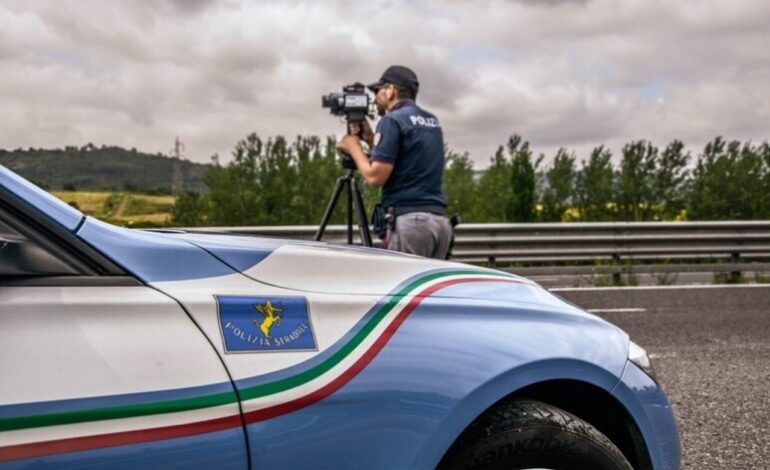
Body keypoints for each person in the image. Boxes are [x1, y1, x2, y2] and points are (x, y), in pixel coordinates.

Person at [336, 65, 453, 259]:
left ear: (390, 91)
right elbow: (407, 158)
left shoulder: (392, 120)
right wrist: (372, 139)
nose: (375, 98)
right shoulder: (431, 121)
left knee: (401, 288)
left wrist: (353, 147)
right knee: (426, 290)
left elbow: (375, 177)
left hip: (411, 225)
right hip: (439, 224)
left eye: (378, 91)